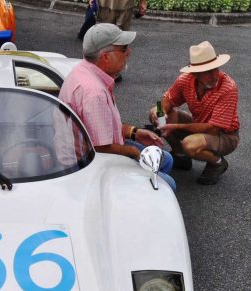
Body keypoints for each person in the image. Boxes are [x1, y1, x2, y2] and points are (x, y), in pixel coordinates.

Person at [60, 23, 175, 190]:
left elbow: (100, 128)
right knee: (168, 184)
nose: (129, 52)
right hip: (88, 163)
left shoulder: (85, 70)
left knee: (166, 159)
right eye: (123, 49)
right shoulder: (94, 93)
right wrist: (135, 154)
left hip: (94, 150)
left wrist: (133, 133)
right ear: (105, 57)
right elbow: (101, 148)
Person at [149, 41, 239, 185]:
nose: (215, 75)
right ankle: (180, 157)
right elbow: (167, 101)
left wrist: (175, 128)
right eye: (208, 71)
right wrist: (159, 112)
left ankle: (217, 162)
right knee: (159, 115)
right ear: (195, 73)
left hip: (225, 135)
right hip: (199, 124)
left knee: (190, 144)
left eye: (216, 68)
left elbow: (213, 128)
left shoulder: (228, 87)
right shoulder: (185, 80)